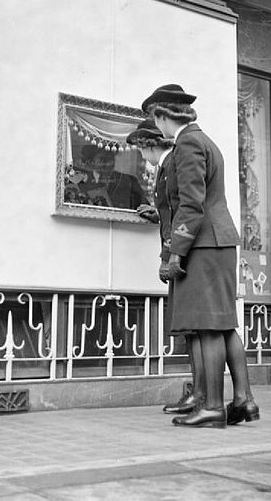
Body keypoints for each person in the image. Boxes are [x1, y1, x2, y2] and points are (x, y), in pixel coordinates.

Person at [142, 83, 259, 428]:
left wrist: (173, 253)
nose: (157, 126)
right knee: (223, 326)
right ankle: (243, 400)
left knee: (208, 327)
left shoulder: (188, 143)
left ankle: (211, 407)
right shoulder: (205, 140)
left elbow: (191, 205)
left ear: (163, 116)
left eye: (155, 118)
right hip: (217, 241)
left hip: (204, 244)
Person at [126, 119, 206, 413]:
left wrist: (167, 256)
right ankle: (198, 394)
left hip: (181, 255)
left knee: (193, 329)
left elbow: (180, 211)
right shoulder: (168, 163)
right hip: (182, 252)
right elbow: (169, 212)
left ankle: (200, 395)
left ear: (148, 145)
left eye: (139, 148)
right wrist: (155, 215)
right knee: (190, 329)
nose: (140, 154)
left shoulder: (171, 163)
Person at [78, 145, 146, 209]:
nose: (108, 163)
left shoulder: (129, 181)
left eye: (111, 158)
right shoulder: (81, 181)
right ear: (91, 161)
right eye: (103, 159)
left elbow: (143, 206)